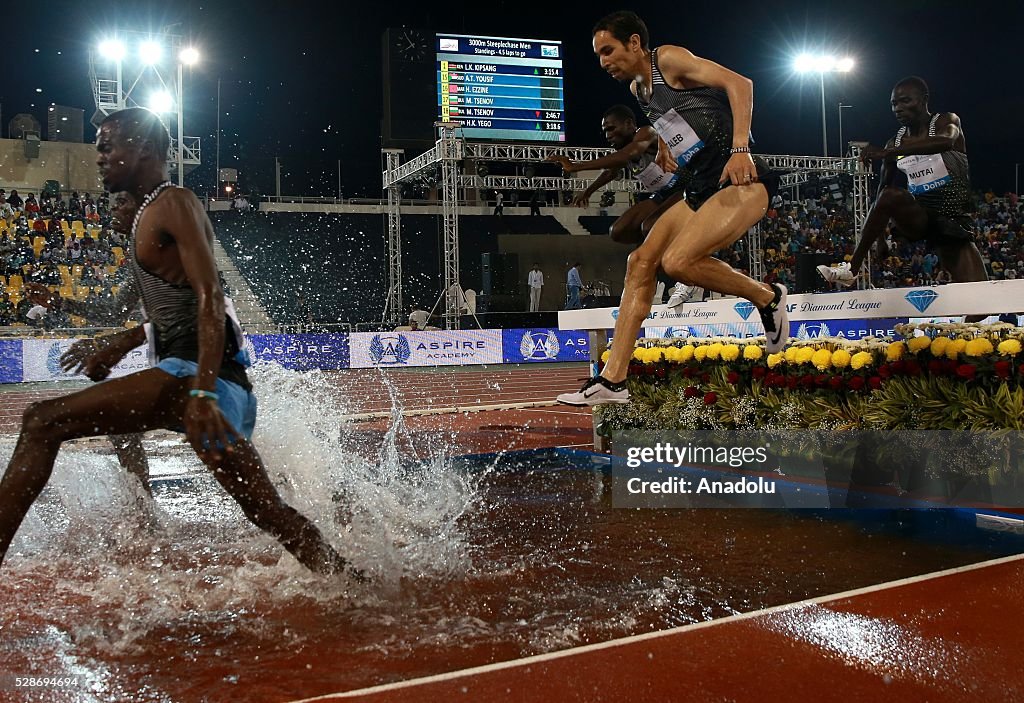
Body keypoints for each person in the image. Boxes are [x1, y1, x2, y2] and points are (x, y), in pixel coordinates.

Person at [0, 107, 351, 576]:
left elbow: (211, 297)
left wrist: (204, 390)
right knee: (267, 513)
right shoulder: (149, 214)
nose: (99, 157)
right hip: (198, 380)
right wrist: (120, 344)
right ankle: (353, 582)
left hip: (204, 382)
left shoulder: (174, 202)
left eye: (107, 146)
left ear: (142, 148)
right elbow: (173, 310)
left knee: (42, 421)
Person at [557, 11, 786, 406]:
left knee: (679, 262)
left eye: (608, 50)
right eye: (597, 56)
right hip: (700, 186)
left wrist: (740, 150)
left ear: (634, 43)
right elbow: (672, 119)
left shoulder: (667, 60)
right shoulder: (637, 90)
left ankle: (767, 298)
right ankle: (613, 382)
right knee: (640, 261)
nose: (603, 62)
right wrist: (666, 145)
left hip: (738, 180)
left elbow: (740, 84)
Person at [25, 192, 150, 495]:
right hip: (178, 364)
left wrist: (114, 344)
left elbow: (190, 316)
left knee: (44, 420)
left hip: (203, 365)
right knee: (122, 428)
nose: (113, 210)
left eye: (122, 202)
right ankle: (145, 516)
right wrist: (58, 301)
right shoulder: (139, 260)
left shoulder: (169, 251)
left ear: (143, 208)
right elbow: (112, 313)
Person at [818, 77, 987, 288]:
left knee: (979, 294)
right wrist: (880, 239)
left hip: (952, 219)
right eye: (894, 104)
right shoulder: (894, 142)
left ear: (924, 100)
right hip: (919, 217)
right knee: (890, 194)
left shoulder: (945, 121)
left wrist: (889, 152)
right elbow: (881, 193)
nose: (898, 108)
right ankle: (851, 269)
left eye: (905, 101)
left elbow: (946, 141)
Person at [547, 103, 698, 309]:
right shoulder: (622, 150)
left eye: (611, 128)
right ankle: (653, 270)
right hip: (663, 195)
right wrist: (588, 191)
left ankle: (687, 278)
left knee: (649, 226)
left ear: (628, 124)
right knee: (619, 231)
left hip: (687, 188)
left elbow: (630, 153)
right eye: (604, 131)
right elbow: (610, 171)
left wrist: (576, 166)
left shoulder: (646, 133)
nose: (607, 135)